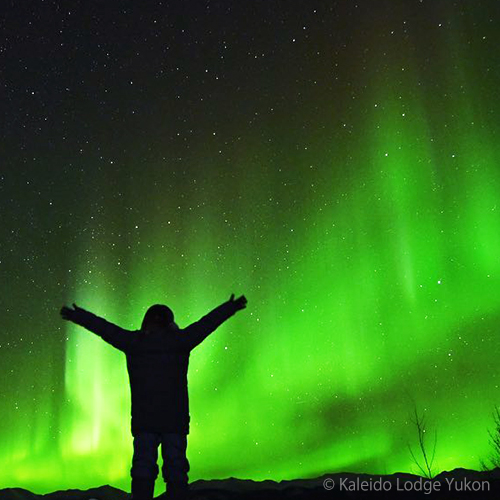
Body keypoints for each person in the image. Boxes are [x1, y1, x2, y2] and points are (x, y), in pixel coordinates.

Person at [60, 293, 248, 500]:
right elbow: (207, 324)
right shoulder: (180, 341)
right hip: (174, 420)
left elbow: (105, 328)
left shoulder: (134, 342)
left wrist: (79, 316)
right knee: (176, 467)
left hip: (145, 420)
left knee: (143, 466)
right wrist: (230, 307)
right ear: (170, 322)